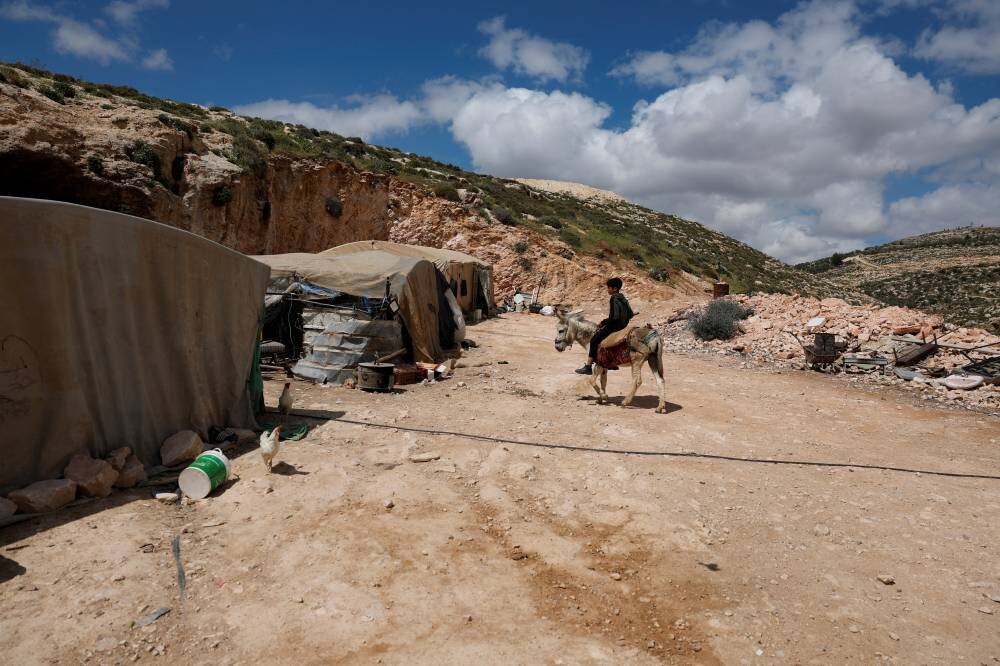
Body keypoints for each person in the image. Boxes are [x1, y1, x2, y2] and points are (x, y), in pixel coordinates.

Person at [576, 277, 633, 375]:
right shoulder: (623, 298)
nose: (608, 290)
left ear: (614, 289)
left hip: (615, 326)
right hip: (624, 325)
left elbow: (614, 317)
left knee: (594, 340)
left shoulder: (614, 298)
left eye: (609, 288)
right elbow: (631, 314)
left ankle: (588, 366)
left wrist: (603, 322)